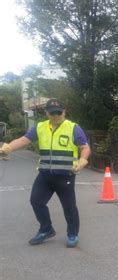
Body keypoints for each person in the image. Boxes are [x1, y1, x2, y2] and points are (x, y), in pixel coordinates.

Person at [0, 99, 90, 248]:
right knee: (36, 201)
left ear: (64, 112)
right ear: (46, 113)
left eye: (59, 112)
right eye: (52, 112)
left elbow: (85, 147)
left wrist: (82, 160)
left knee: (69, 207)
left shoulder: (73, 127)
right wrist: (8, 147)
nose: (56, 115)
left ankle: (72, 234)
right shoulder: (40, 127)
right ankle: (46, 229)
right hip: (45, 175)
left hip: (65, 175)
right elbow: (24, 139)